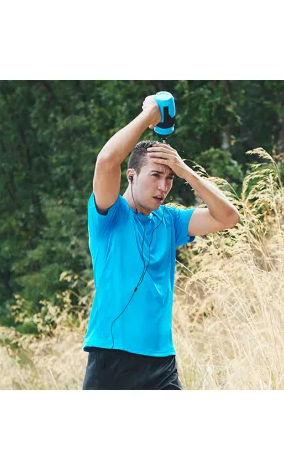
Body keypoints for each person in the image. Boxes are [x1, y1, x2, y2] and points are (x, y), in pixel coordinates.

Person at [82, 94, 240, 389]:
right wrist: (149, 115)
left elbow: (228, 217)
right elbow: (106, 160)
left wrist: (186, 171)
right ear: (131, 176)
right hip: (111, 357)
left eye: (169, 179)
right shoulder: (110, 215)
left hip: (161, 362)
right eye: (156, 175)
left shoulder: (170, 220)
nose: (163, 186)